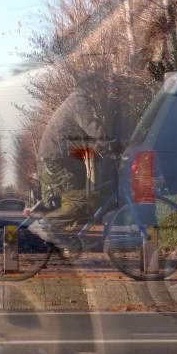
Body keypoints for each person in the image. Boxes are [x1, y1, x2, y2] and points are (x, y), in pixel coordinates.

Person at [28, 77, 117, 257]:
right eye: (102, 91)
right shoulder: (79, 102)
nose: (103, 96)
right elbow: (93, 128)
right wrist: (113, 145)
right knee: (77, 202)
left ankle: (72, 239)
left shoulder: (75, 100)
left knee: (82, 195)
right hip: (55, 160)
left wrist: (102, 151)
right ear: (93, 89)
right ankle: (45, 226)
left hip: (60, 157)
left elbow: (87, 139)